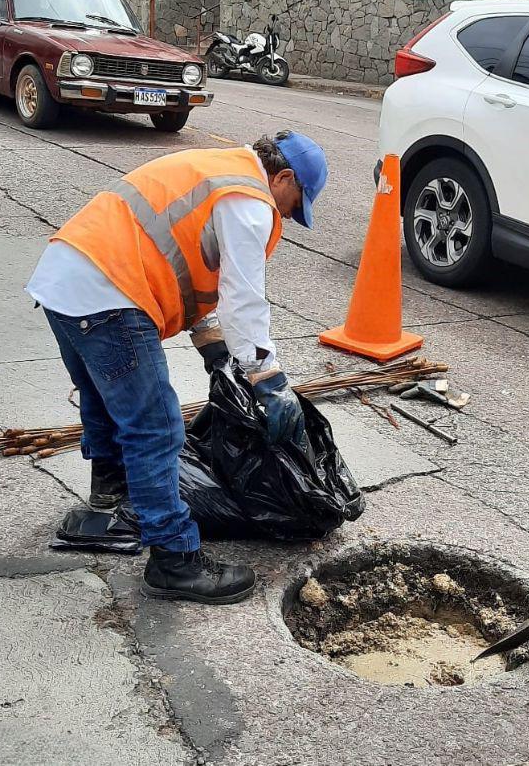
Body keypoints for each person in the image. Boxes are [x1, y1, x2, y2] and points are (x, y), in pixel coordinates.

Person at [26, 132, 328, 605]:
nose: (289, 214)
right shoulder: (249, 200)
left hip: (66, 278)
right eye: (295, 202)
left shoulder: (217, 169)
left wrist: (209, 339)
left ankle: (107, 511)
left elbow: (175, 248)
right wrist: (268, 379)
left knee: (106, 405)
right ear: (284, 177)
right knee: (155, 428)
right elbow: (245, 298)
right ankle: (174, 560)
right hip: (111, 292)